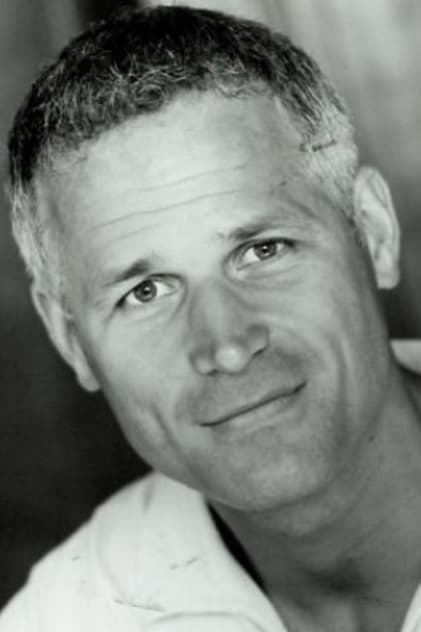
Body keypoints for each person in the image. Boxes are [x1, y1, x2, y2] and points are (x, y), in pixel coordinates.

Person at [2, 5, 421, 631]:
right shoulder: (70, 613)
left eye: (263, 251)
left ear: (374, 232)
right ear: (71, 340)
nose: (226, 345)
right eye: (146, 292)